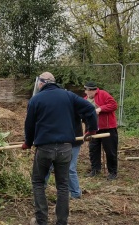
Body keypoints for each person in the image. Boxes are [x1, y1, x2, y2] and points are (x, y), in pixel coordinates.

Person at [22, 72, 97, 225]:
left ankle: (41, 220)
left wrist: (28, 142)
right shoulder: (68, 96)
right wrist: (92, 129)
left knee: (38, 182)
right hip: (65, 148)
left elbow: (29, 125)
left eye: (38, 82)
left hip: (44, 148)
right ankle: (62, 221)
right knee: (62, 185)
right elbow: (89, 108)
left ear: (43, 83)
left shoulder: (35, 100)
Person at [83, 81, 119, 180]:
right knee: (93, 149)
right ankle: (95, 169)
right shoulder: (85, 100)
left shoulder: (103, 94)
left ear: (93, 90)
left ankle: (113, 172)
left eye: (88, 90)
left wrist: (100, 109)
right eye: (86, 90)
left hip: (108, 128)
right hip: (94, 129)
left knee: (110, 151)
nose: (87, 92)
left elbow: (114, 105)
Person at [44, 113, 84, 200]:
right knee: (47, 166)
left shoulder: (76, 102)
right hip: (55, 141)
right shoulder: (53, 104)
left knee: (70, 168)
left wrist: (91, 130)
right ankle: (40, 192)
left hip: (73, 140)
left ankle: (75, 193)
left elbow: (90, 113)